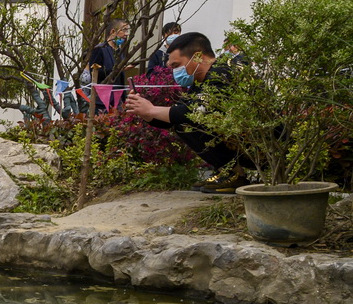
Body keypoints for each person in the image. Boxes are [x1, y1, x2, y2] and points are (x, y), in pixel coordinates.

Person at [124, 31, 249, 193]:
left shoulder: (223, 73)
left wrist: (152, 109)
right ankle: (226, 171)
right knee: (183, 122)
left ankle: (234, 175)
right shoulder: (201, 82)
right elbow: (177, 115)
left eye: (176, 66)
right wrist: (145, 112)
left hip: (261, 143)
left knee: (191, 119)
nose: (175, 71)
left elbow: (195, 112)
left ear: (197, 57)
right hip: (243, 140)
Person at [86, 19, 130, 113]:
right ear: (113, 31)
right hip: (102, 100)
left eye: (127, 30)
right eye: (124, 30)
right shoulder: (100, 49)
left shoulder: (119, 52)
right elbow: (94, 73)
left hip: (118, 100)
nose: (126, 34)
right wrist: (117, 70)